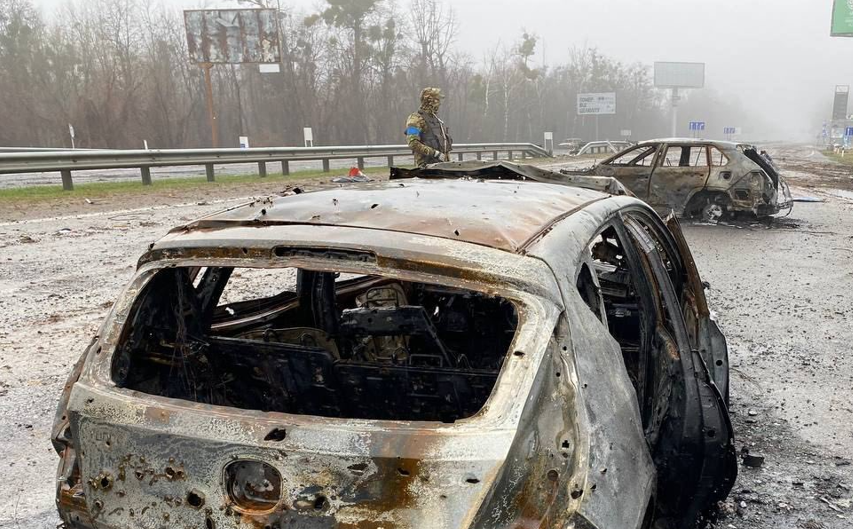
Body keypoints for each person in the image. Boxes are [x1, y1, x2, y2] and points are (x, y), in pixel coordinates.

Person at [405, 87, 453, 167]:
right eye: (437, 100)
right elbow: (413, 143)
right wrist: (434, 153)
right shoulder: (415, 119)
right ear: (429, 101)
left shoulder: (436, 120)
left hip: (442, 166)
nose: (439, 103)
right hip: (425, 167)